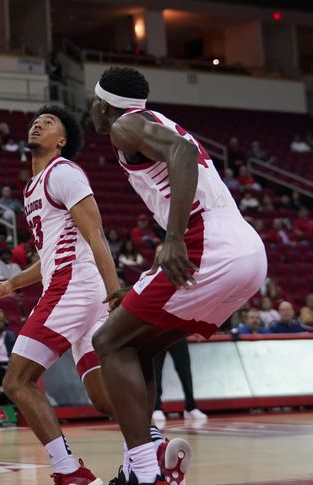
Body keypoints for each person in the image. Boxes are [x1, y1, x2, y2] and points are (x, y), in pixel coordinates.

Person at [89, 67, 266, 485]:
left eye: (92, 104)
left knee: (107, 342)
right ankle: (142, 462)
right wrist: (153, 267)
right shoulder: (155, 122)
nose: (90, 113)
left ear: (103, 104)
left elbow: (182, 154)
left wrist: (173, 239)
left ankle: (148, 472)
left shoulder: (125, 125)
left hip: (211, 245)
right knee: (136, 347)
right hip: (247, 250)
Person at [0, 105, 119, 484]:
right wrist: (12, 284)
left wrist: (115, 294)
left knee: (16, 381)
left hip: (73, 285)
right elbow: (49, 256)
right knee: (105, 398)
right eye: (34, 121)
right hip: (74, 284)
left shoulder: (64, 172)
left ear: (61, 141)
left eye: (49, 123)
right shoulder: (33, 186)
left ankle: (69, 471)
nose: (37, 123)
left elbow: (96, 235)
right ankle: (152, 449)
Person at [152, 340, 207, 422]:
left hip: (177, 332)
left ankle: (190, 407)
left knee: (185, 368)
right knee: (156, 369)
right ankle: (156, 408)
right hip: (157, 333)